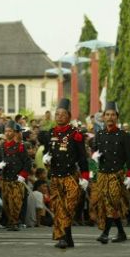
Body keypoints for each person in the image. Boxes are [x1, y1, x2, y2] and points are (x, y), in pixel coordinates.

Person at [42, 98, 89, 249]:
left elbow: (82, 157)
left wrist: (86, 176)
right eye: (57, 114)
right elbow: (49, 152)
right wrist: (46, 158)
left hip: (70, 175)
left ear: (68, 116)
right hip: (55, 176)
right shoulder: (51, 133)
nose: (59, 116)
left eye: (63, 114)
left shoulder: (75, 134)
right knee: (58, 207)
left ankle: (67, 237)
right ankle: (63, 237)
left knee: (68, 206)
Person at [91, 101, 130, 244]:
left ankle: (105, 233)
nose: (110, 118)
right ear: (103, 117)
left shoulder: (124, 136)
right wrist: (94, 155)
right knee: (107, 204)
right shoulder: (99, 135)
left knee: (112, 202)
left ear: (117, 117)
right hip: (102, 174)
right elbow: (94, 150)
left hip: (116, 175)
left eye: (113, 115)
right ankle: (121, 233)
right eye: (107, 115)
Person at [0, 121, 31, 231]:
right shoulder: (2, 146)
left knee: (16, 202)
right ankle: (10, 222)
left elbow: (27, 162)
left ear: (14, 133)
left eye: (10, 131)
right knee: (6, 202)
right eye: (6, 131)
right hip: (6, 178)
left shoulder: (20, 147)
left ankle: (15, 222)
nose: (7, 133)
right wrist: (0, 166)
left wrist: (23, 175)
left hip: (17, 179)